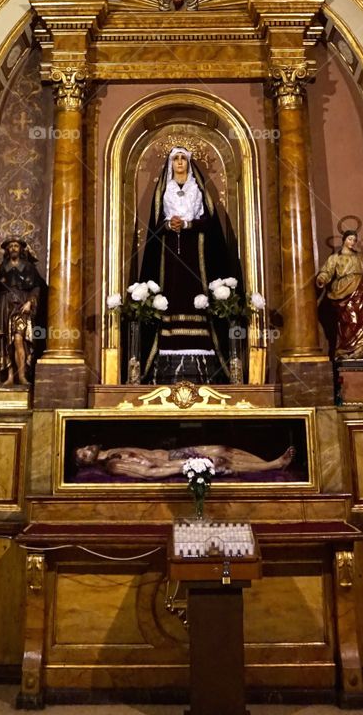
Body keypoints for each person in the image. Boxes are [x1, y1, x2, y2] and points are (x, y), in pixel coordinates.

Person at [139, 146, 233, 383]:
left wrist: (189, 225)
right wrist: (169, 226)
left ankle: (201, 342)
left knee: (195, 292)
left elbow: (209, 222)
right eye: (176, 159)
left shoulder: (197, 189)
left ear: (189, 163)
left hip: (196, 250)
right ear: (171, 164)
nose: (179, 162)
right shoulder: (164, 189)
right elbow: (155, 223)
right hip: (169, 252)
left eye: (183, 158)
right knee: (171, 290)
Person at [316, 230, 363, 360]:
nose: (352, 242)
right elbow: (327, 271)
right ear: (344, 240)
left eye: (354, 240)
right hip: (344, 291)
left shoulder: (360, 257)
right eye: (350, 239)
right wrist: (321, 279)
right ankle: (347, 350)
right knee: (350, 320)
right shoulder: (335, 258)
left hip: (362, 291)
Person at [0, 238, 47, 385]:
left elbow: (37, 287)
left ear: (20, 249)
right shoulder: (1, 268)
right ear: (7, 250)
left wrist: (30, 302)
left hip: (21, 305)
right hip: (5, 306)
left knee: (19, 340)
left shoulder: (28, 267)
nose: (13, 248)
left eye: (16, 246)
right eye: (11, 246)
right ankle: (9, 377)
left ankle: (21, 375)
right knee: (7, 341)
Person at [74, 442, 295, 479]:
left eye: (83, 447)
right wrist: (185, 466)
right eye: (84, 455)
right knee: (221, 461)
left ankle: (271, 461)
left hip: (173, 453)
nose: (87, 449)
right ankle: (273, 465)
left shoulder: (111, 450)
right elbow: (150, 473)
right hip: (173, 464)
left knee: (224, 449)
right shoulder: (114, 464)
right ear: (89, 463)